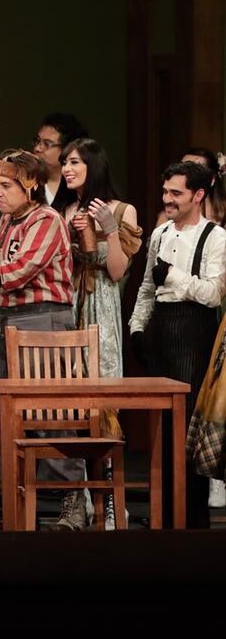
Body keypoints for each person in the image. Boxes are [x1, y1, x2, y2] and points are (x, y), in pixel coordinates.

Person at [0, 149, 80, 529]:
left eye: (7, 185)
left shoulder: (48, 220)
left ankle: (75, 497)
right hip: (6, 319)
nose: (0, 192)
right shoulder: (8, 219)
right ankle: (15, 501)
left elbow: (14, 272)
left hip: (41, 323)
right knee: (11, 416)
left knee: (48, 413)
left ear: (31, 186)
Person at [131, 161, 225, 529]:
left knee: (188, 430)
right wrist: (137, 328)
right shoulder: (160, 233)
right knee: (161, 429)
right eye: (165, 192)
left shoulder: (215, 237)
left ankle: (192, 521)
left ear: (198, 195)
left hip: (195, 333)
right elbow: (145, 288)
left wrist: (174, 276)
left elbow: (214, 294)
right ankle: (164, 517)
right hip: (161, 331)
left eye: (176, 193)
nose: (167, 199)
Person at [59, 138, 141, 529]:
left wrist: (108, 229)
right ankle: (80, 495)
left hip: (101, 307)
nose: (67, 169)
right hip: (68, 303)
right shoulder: (65, 210)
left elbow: (117, 271)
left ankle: (110, 499)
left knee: (102, 400)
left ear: (93, 164)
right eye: (64, 163)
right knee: (71, 403)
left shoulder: (122, 210)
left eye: (74, 162)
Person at [32, 112, 88, 209]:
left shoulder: (80, 188)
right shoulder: (28, 183)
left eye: (46, 144)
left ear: (67, 148)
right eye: (37, 141)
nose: (37, 148)